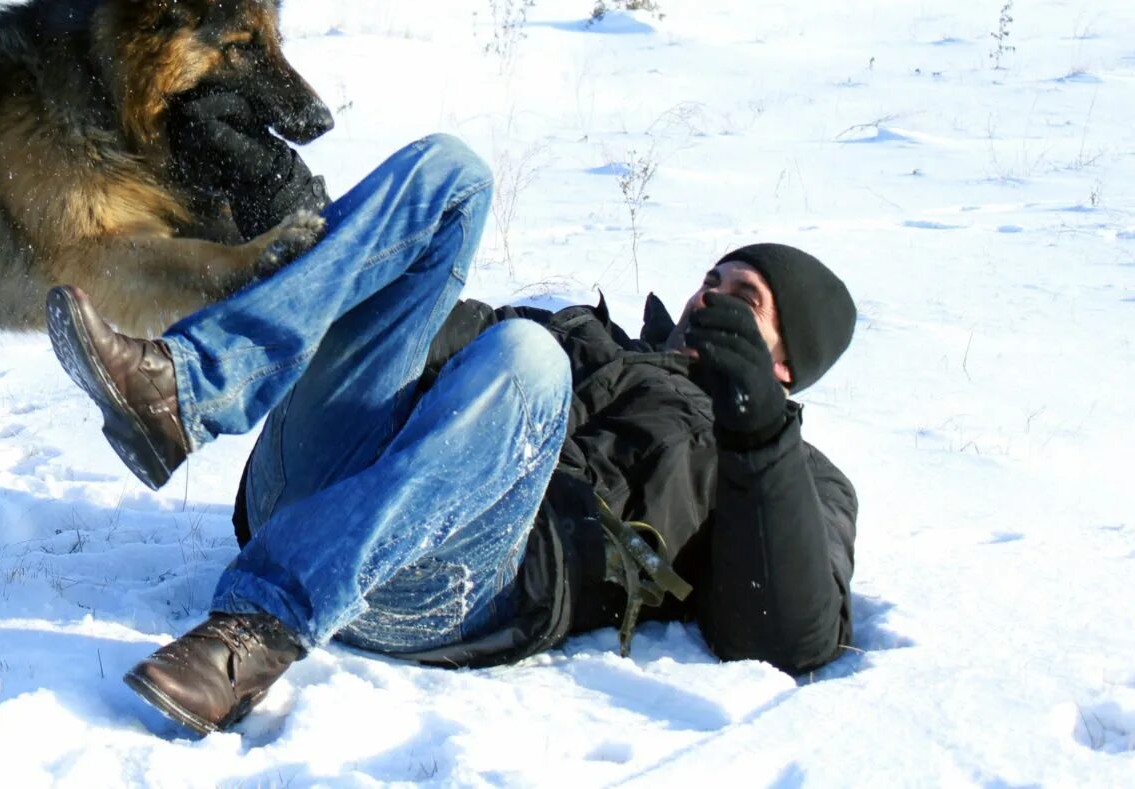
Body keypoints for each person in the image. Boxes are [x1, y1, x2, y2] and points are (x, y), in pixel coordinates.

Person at [46, 123, 858, 737]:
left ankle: (261, 627)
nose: (708, 298)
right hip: (306, 497)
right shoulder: (591, 336)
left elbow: (791, 639)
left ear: (787, 362)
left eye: (744, 299)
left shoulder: (792, 472)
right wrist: (330, 258)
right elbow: (423, 333)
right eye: (712, 279)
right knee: (452, 173)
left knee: (525, 357)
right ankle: (183, 390)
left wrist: (755, 431)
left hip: (453, 586)